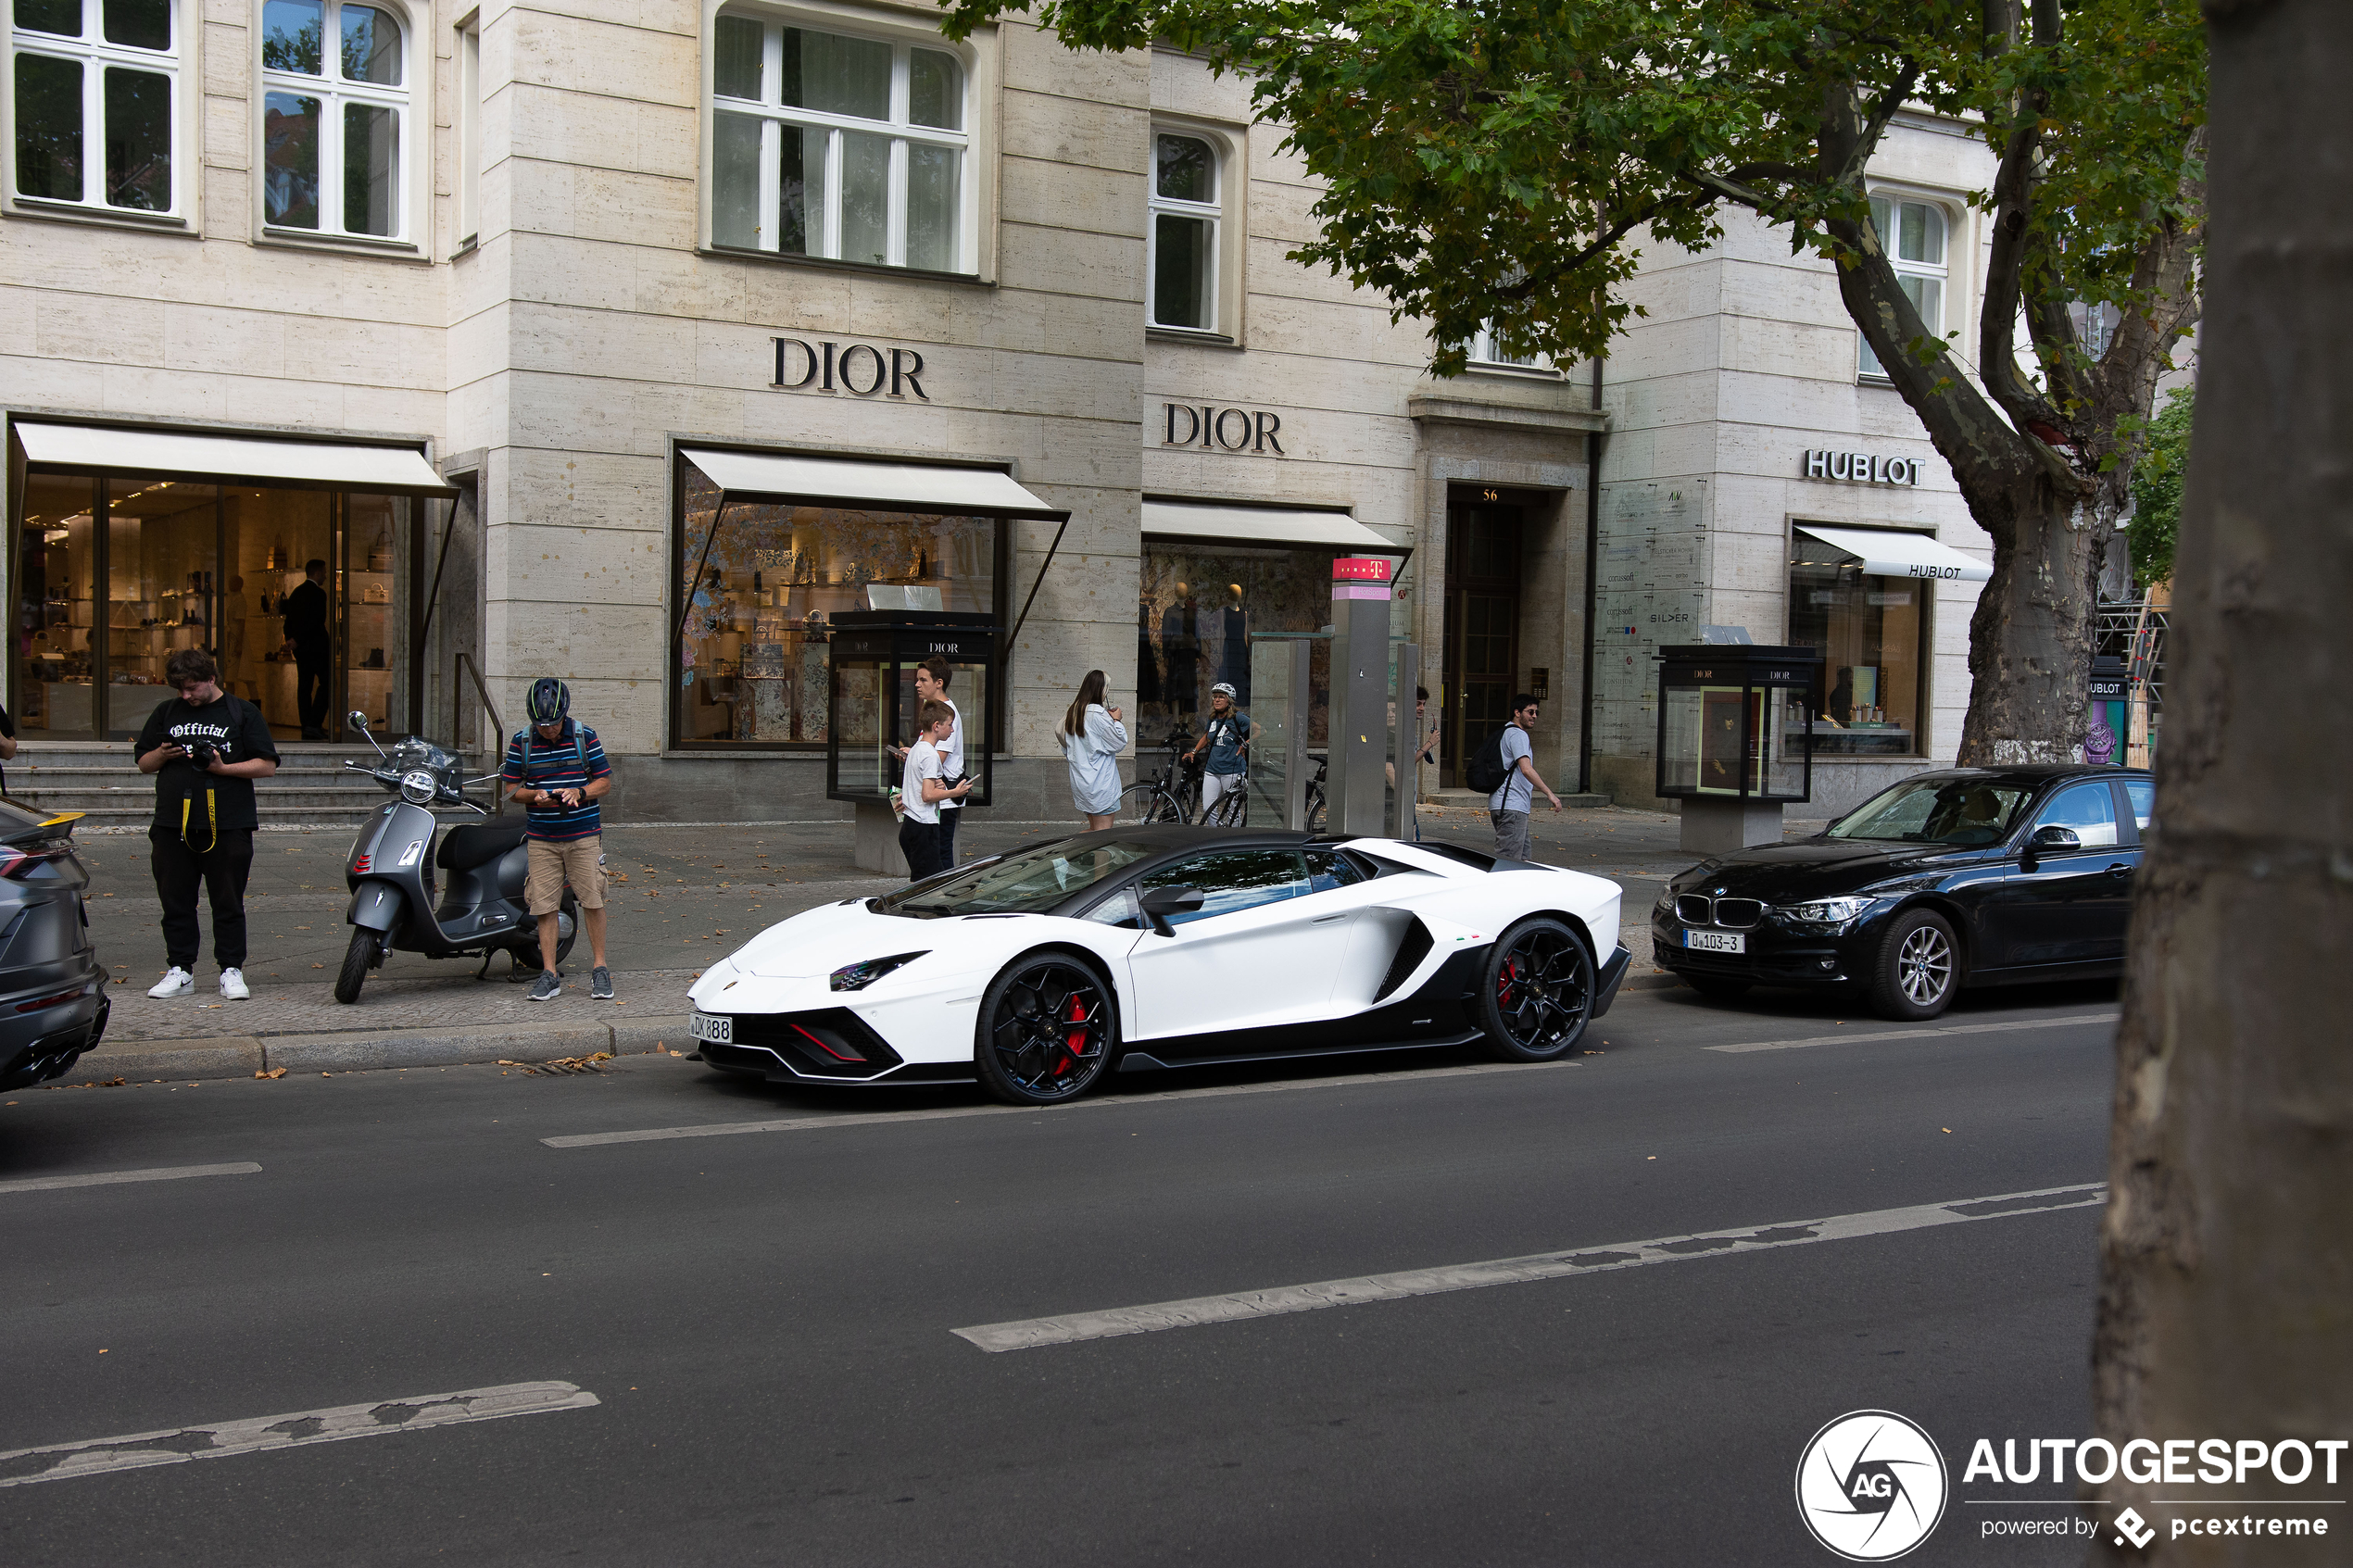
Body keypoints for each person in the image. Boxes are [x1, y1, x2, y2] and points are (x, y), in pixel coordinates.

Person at [135, 648, 280, 1000]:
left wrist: (222, 769)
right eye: (180, 689)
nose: (186, 696)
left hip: (228, 823)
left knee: (228, 900)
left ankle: (231, 970)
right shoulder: (166, 711)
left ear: (211, 679)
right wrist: (162, 755)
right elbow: (143, 762)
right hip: (172, 824)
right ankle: (180, 971)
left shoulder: (241, 712)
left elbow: (267, 765)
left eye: (192, 688)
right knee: (175, 901)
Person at [501, 677, 614, 1002]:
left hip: (583, 835)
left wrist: (579, 791)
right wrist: (534, 795)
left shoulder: (584, 736)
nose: (548, 729)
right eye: (541, 724)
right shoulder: (522, 742)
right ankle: (549, 974)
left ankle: (600, 969)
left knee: (592, 899)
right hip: (542, 838)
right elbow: (510, 790)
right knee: (544, 904)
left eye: (553, 724)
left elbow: (604, 782)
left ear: (565, 714)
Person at [888, 658, 965, 867]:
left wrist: (914, 756)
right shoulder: (935, 710)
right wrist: (912, 753)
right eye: (917, 680)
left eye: (923, 680)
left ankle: (944, 896)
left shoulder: (947, 714)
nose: (917, 685)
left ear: (938, 682)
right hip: (931, 802)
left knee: (939, 856)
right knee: (928, 857)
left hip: (940, 800)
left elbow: (937, 758)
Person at [897, 699, 972, 880]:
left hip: (912, 823)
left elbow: (922, 787)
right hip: (923, 825)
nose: (952, 730)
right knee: (927, 884)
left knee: (931, 879)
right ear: (937, 726)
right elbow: (927, 795)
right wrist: (955, 792)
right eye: (949, 725)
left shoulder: (916, 750)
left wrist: (939, 786)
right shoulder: (930, 755)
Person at [1490, 693, 1562, 863]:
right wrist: (1550, 794)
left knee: (1523, 860)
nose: (1534, 716)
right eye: (1530, 712)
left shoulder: (1504, 732)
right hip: (1512, 805)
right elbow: (1526, 770)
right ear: (1517, 712)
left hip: (1505, 804)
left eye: (1536, 712)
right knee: (1508, 862)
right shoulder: (1517, 735)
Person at [1059, 669, 1127, 831]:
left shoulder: (1073, 712)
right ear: (1101, 690)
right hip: (1100, 785)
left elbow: (1066, 746)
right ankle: (1067, 854)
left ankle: (1070, 853)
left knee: (1094, 832)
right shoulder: (1098, 715)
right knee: (1101, 837)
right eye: (1106, 689)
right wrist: (1116, 720)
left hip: (1082, 782)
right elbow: (1119, 743)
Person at [281, 558, 332, 738]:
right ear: (317, 573)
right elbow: (316, 622)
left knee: (304, 687)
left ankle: (306, 725)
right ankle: (314, 723)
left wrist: (291, 640)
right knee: (327, 683)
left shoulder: (296, 593)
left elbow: (289, 620)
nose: (325, 576)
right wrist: (298, 639)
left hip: (301, 649)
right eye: (324, 572)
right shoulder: (319, 594)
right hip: (316, 648)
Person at [1188, 682, 1250, 822]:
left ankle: (1234, 841)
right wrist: (1194, 751)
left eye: (1221, 697)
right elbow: (1207, 736)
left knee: (1233, 811)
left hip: (1232, 770)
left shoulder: (1238, 718)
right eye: (1215, 697)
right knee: (1208, 809)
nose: (1217, 700)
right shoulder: (1213, 718)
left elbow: (1260, 730)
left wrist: (1246, 744)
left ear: (1230, 700)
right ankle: (1216, 835)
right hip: (1212, 769)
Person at [1385, 685, 1441, 840]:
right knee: (1411, 840)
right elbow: (1399, 765)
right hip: (1395, 801)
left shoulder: (1406, 730)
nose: (1421, 708)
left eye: (1423, 704)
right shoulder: (1393, 734)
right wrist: (1429, 744)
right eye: (1418, 704)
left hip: (1404, 799)